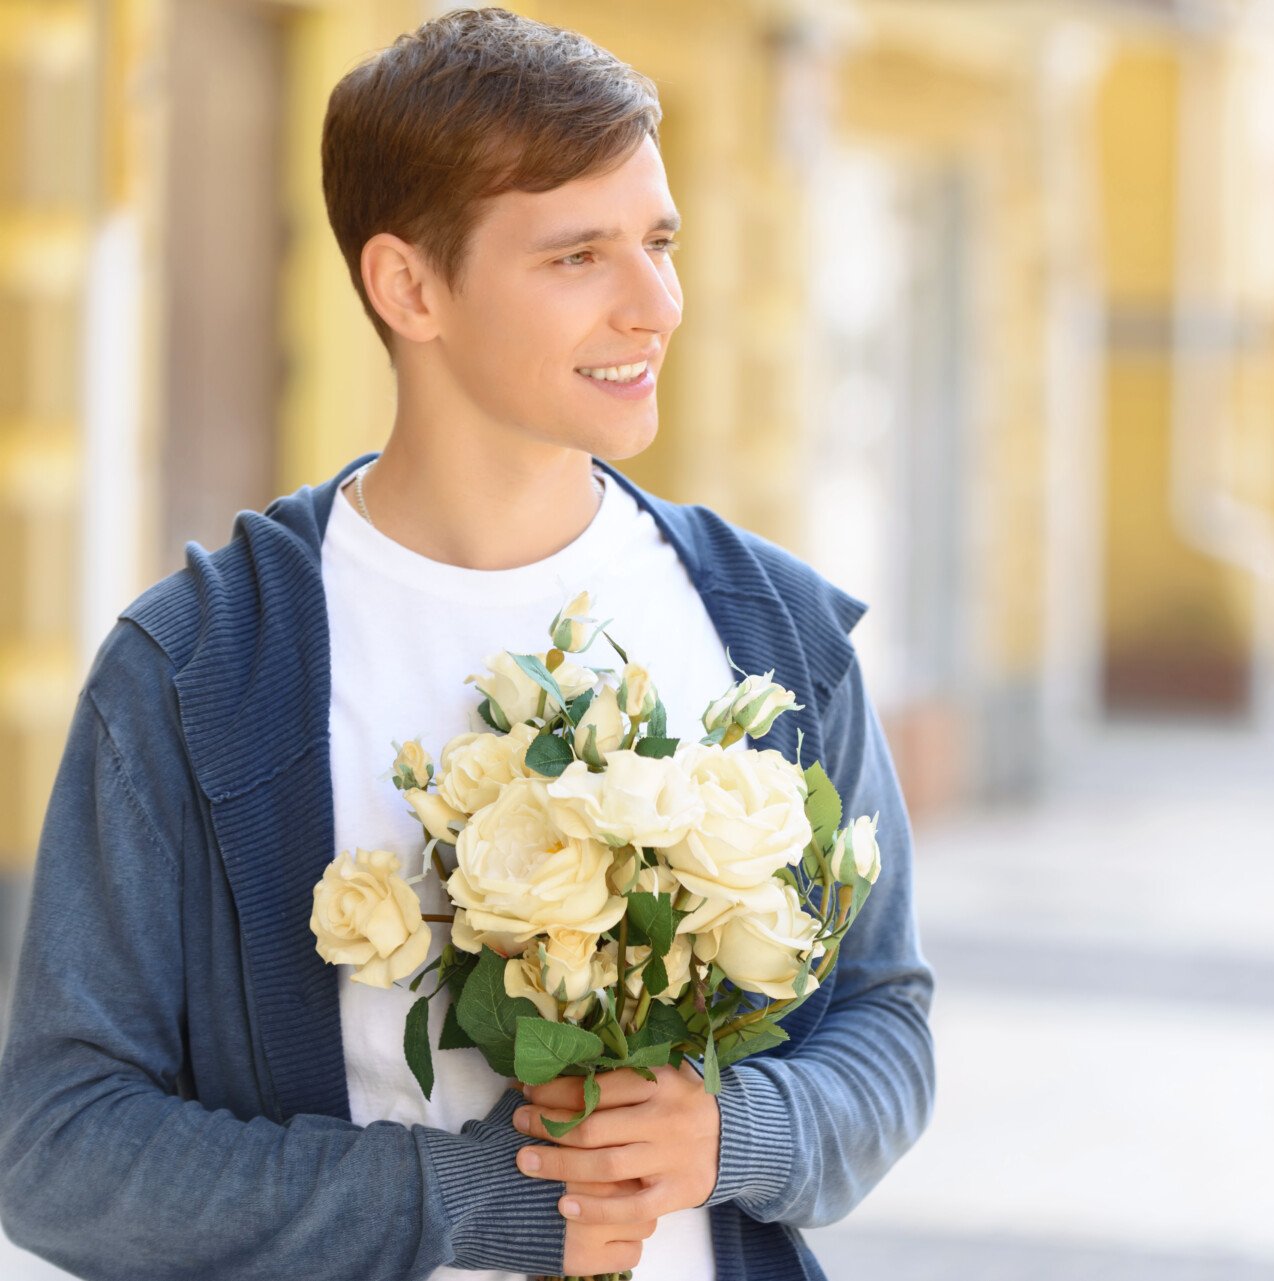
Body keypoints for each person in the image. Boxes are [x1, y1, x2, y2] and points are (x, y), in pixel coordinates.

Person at [0, 9, 935, 1280]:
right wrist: (464, 1201)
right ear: (408, 286)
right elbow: (61, 1151)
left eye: (658, 241)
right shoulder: (200, 668)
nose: (656, 303)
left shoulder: (772, 630)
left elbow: (884, 1024)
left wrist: (740, 1131)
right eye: (579, 257)